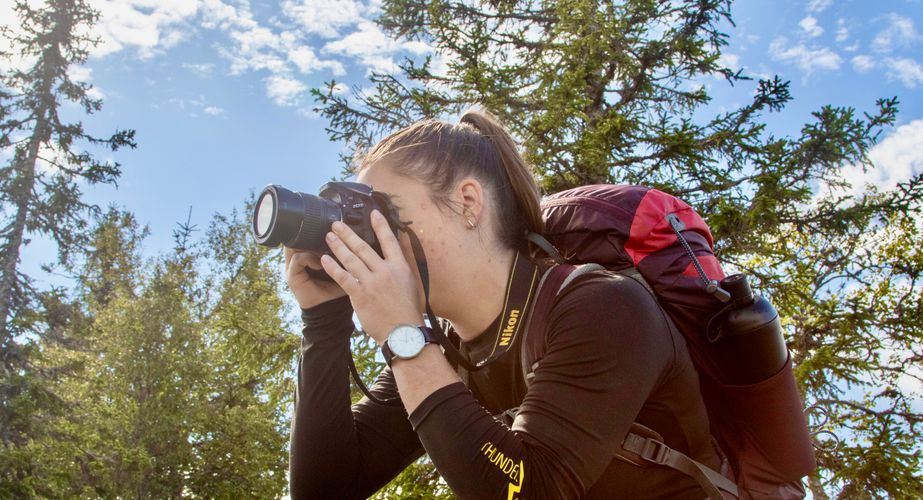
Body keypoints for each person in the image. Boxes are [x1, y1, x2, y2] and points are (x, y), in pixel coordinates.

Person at [286, 110, 724, 499]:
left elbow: (529, 489)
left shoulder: (605, 307)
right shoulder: (443, 352)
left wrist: (403, 336)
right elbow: (324, 489)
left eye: (380, 212)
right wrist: (323, 320)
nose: (367, 238)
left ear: (468, 202)